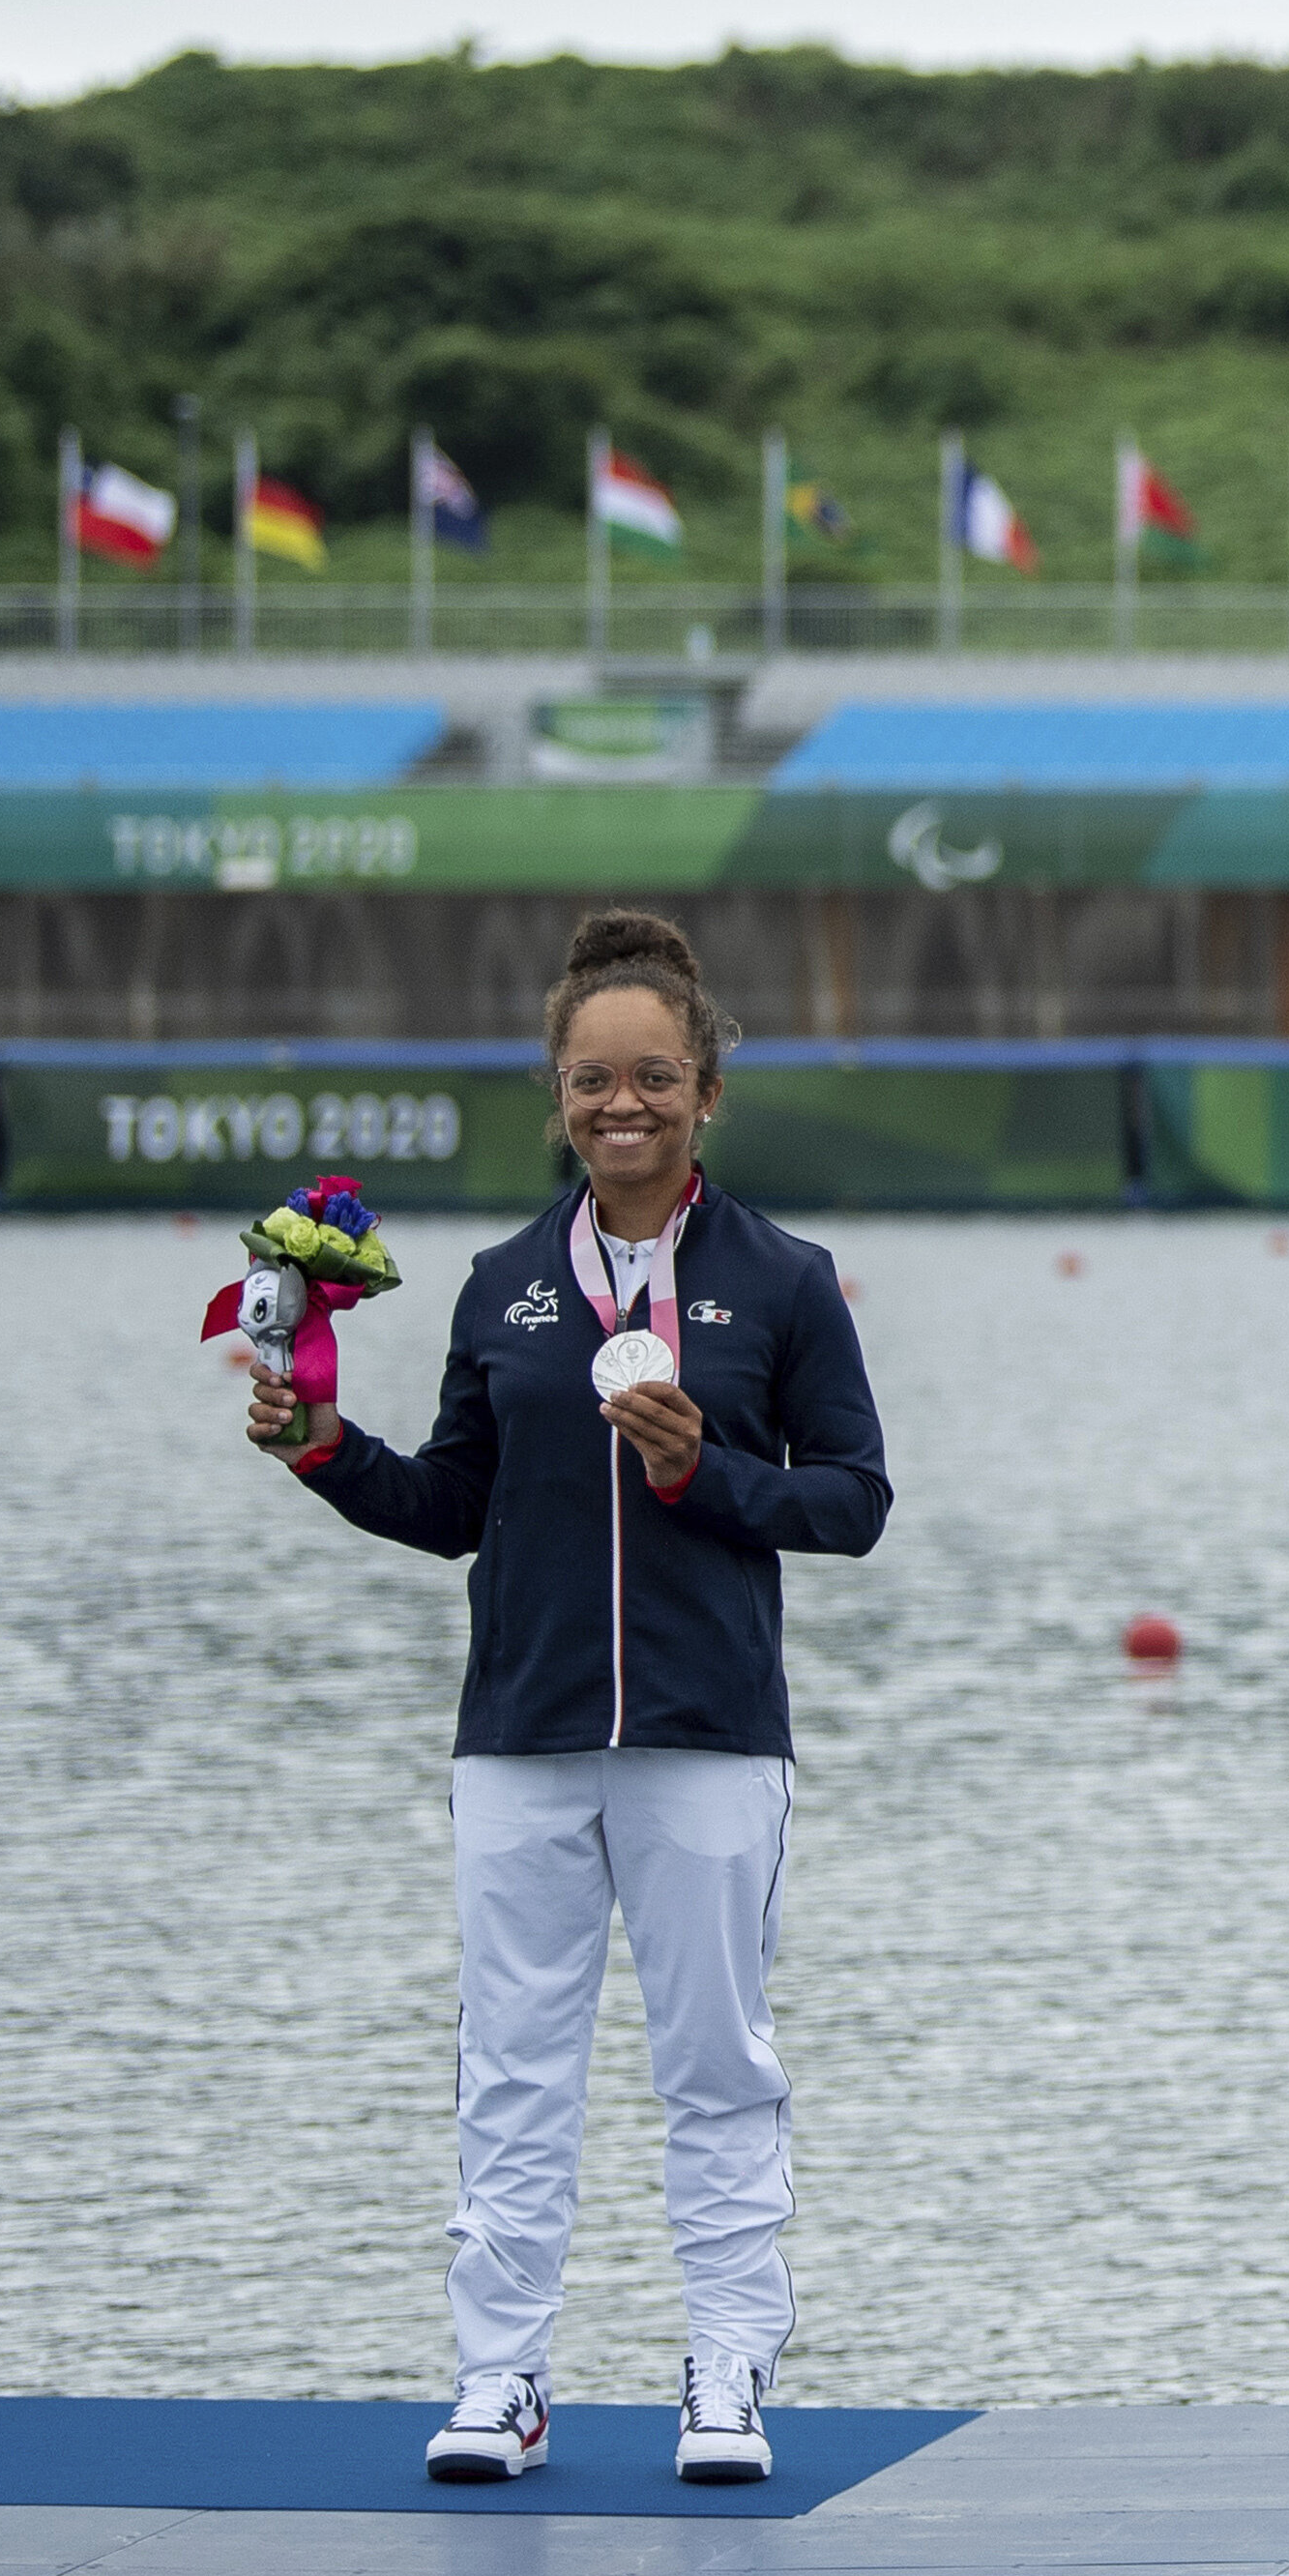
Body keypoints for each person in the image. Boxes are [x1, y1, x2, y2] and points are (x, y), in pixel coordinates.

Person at [243, 907, 892, 2487]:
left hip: (709, 1738)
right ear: (558, 1089)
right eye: (594, 1079)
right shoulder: (501, 1283)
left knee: (716, 2066)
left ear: (706, 1090)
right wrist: (322, 1449)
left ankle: (725, 2377)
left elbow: (857, 1500)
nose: (624, 1105)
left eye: (655, 1076)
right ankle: (501, 2383)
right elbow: (453, 1499)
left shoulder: (783, 1280)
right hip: (521, 1740)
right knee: (513, 2067)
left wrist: (701, 1470)